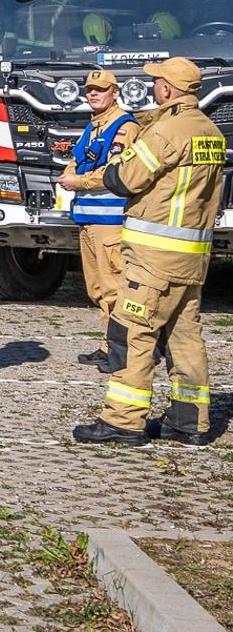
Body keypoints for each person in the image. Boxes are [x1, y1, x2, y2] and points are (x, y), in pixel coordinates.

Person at [69, 58, 221, 445]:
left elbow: (125, 177)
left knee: (132, 332)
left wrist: (99, 172)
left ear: (168, 89)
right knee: (184, 337)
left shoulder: (168, 131)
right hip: (192, 254)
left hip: (154, 257)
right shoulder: (210, 131)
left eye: (156, 82)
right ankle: (191, 422)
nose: (153, 87)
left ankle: (123, 420)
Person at [54, 70, 141, 371]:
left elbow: (113, 172)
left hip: (110, 221)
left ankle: (121, 351)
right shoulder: (93, 126)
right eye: (89, 89)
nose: (92, 94)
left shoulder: (124, 127)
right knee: (96, 289)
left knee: (113, 287)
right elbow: (80, 159)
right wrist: (70, 171)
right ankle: (108, 345)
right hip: (89, 219)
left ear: (114, 92)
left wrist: (76, 181)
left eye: (100, 90)